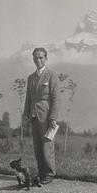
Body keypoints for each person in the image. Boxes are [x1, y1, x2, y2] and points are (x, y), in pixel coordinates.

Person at [23, 47, 60, 184]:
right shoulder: (31, 78)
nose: (38, 60)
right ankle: (41, 172)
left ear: (46, 58)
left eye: (41, 58)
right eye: (36, 58)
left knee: (46, 145)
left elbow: (56, 98)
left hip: (46, 116)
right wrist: (26, 114)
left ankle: (49, 173)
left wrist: (53, 117)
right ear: (33, 59)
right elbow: (28, 98)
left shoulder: (51, 75)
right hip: (33, 115)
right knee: (37, 145)